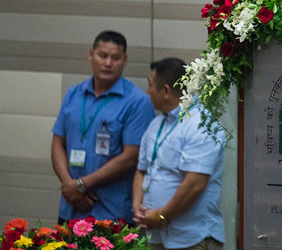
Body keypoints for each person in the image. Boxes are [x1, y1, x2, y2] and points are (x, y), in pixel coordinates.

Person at [51, 31, 155, 224]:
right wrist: (68, 185)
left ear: (125, 60)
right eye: (102, 56)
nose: (108, 63)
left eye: (115, 58)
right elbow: (58, 143)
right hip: (71, 208)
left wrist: (81, 185)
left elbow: (131, 157)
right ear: (91, 54)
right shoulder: (74, 94)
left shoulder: (137, 102)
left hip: (111, 214)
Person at [133, 57, 225, 250]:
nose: (147, 92)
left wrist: (161, 216)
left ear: (166, 91)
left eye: (150, 86)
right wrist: (137, 205)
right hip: (155, 235)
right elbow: (142, 171)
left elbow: (194, 184)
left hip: (192, 237)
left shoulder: (202, 125)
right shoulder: (155, 125)